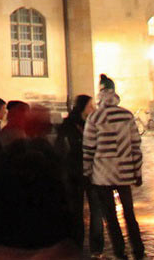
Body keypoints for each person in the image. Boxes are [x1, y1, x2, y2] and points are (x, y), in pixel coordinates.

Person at [83, 80, 145, 259]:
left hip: (102, 175)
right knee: (129, 214)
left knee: (110, 217)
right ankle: (138, 249)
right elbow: (136, 146)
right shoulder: (126, 115)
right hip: (124, 173)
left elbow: (88, 149)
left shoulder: (95, 117)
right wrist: (137, 172)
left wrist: (87, 172)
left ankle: (120, 251)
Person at [56, 93, 104, 258]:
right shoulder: (70, 124)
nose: (93, 109)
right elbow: (61, 147)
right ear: (83, 108)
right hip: (75, 171)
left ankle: (96, 248)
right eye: (90, 106)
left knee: (96, 210)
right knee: (76, 210)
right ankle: (76, 244)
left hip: (92, 172)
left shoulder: (96, 124)